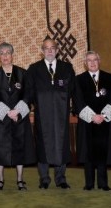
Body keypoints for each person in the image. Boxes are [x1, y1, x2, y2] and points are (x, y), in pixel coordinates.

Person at [0, 42, 35, 191]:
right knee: (0, 149)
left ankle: (20, 179)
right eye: (2, 53)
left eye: (8, 53)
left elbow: (28, 95)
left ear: (12, 55)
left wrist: (17, 111)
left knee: (20, 147)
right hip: (0, 118)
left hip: (19, 117)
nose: (5, 56)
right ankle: (0, 180)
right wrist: (7, 112)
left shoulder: (24, 74)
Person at [24, 38, 75, 190]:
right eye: (46, 48)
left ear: (57, 50)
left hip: (61, 115)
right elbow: (29, 91)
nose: (50, 50)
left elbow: (72, 89)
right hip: (42, 115)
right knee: (42, 145)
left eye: (53, 47)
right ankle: (44, 179)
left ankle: (61, 179)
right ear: (42, 51)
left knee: (61, 144)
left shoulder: (67, 68)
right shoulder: (34, 69)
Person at [74, 51, 111, 191]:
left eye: (95, 59)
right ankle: (89, 183)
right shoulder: (78, 80)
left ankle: (103, 183)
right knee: (88, 152)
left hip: (105, 121)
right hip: (87, 121)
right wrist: (92, 116)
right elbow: (77, 101)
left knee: (103, 151)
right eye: (89, 60)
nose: (92, 62)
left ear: (99, 61)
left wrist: (103, 116)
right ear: (85, 63)